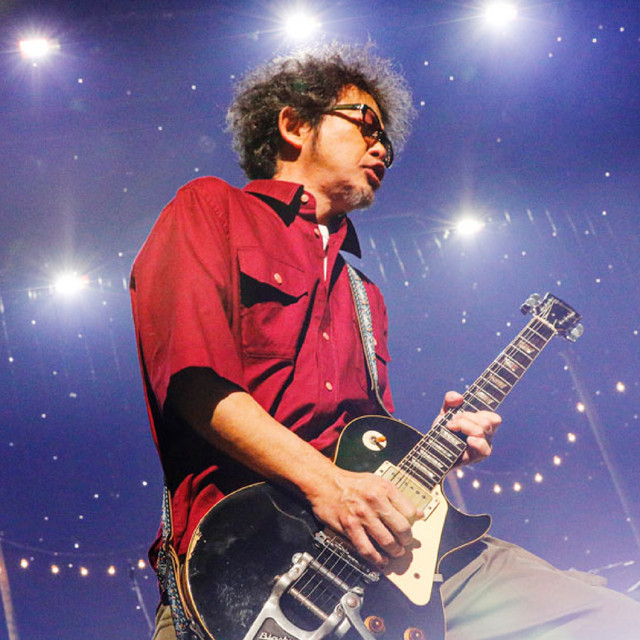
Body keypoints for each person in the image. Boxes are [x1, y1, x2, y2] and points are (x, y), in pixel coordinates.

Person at [130, 44, 640, 640]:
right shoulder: (210, 208)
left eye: (388, 143)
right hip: (247, 569)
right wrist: (329, 486)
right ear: (294, 124)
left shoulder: (363, 292)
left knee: (612, 619)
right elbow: (193, 382)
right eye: (366, 125)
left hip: (389, 559)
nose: (382, 150)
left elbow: (365, 445)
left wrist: (436, 447)